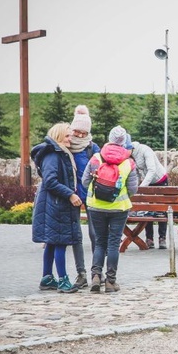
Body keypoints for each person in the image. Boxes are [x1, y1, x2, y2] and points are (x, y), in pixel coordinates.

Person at [81, 125, 138, 293]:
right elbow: (133, 189)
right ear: (124, 142)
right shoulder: (128, 162)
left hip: (96, 207)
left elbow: (84, 182)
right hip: (119, 208)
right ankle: (111, 281)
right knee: (113, 243)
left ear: (110, 139)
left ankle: (96, 276)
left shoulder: (96, 158)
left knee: (99, 242)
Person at [31, 122, 83, 294]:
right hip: (56, 204)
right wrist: (70, 194)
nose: (71, 139)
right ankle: (63, 280)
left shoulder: (59, 153)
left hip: (55, 204)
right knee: (60, 242)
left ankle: (47, 278)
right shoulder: (53, 155)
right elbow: (50, 181)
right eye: (67, 136)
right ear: (59, 136)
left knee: (52, 243)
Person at [68, 105, 100, 289]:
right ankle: (81, 274)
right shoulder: (66, 145)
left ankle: (97, 272)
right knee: (75, 235)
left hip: (90, 195)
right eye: (77, 132)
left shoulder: (92, 148)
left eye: (83, 133)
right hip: (71, 196)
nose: (79, 136)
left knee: (95, 234)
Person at [129, 137, 169, 249]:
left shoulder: (145, 150)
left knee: (161, 209)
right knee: (148, 209)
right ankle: (149, 238)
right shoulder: (130, 156)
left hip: (160, 179)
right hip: (147, 181)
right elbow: (136, 173)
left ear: (130, 148)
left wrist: (142, 187)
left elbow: (152, 170)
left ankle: (162, 238)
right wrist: (135, 187)